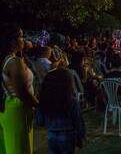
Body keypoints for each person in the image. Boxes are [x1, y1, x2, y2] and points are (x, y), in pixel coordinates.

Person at [0, 25, 38, 154]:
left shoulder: (9, 59)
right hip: (19, 108)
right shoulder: (14, 62)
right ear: (13, 41)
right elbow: (23, 93)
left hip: (10, 107)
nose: (24, 39)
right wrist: (39, 105)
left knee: (11, 147)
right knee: (19, 148)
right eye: (21, 36)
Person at [36, 68, 86, 154]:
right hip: (67, 135)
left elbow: (39, 121)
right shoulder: (71, 101)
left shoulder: (45, 100)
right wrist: (81, 136)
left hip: (51, 135)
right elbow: (78, 121)